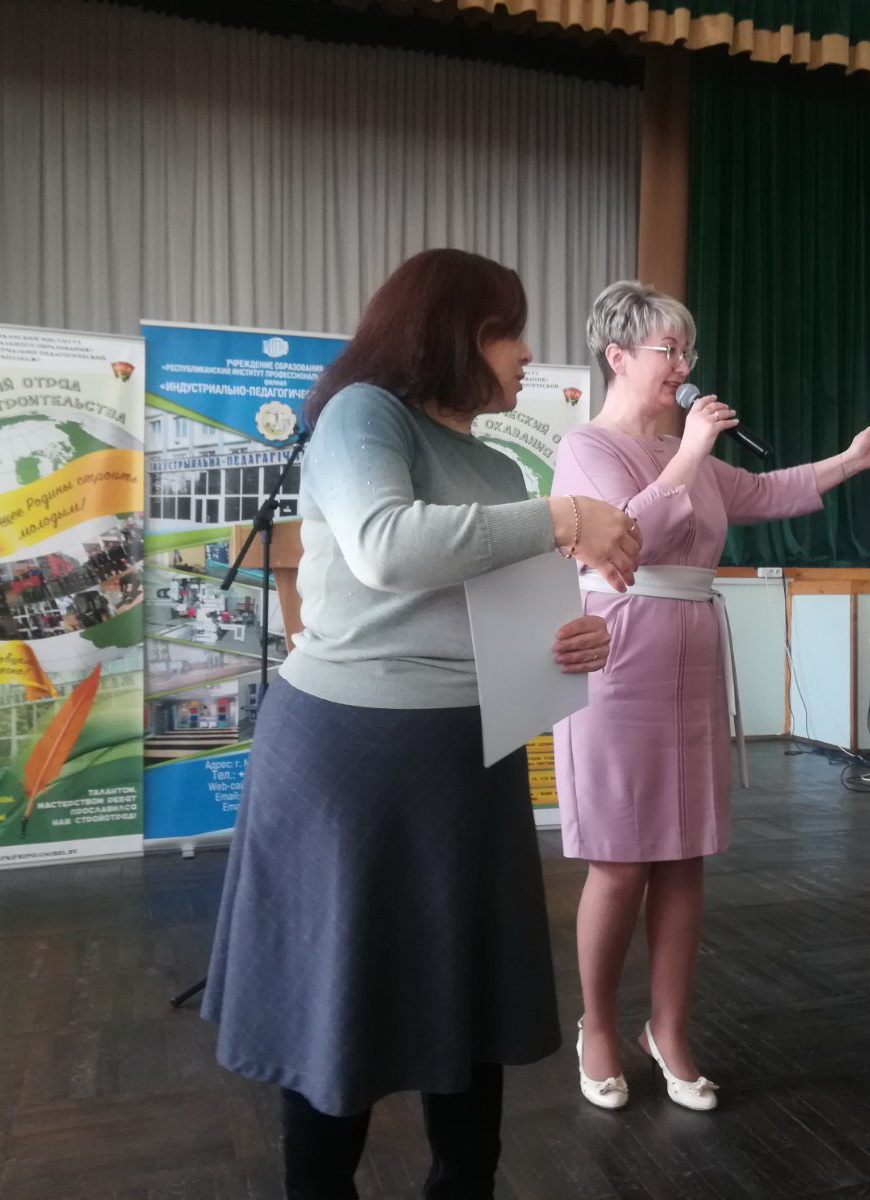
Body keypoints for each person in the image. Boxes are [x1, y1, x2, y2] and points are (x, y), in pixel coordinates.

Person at [201, 248, 643, 1200]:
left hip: (468, 756)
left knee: (467, 1006)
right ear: (452, 332)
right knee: (338, 1004)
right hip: (350, 758)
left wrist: (568, 638)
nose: (527, 353)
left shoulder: (496, 462)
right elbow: (386, 547)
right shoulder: (362, 414)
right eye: (508, 331)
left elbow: (499, 602)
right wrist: (565, 515)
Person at [553, 280, 870, 1111]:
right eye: (669, 350)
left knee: (683, 856)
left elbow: (767, 492)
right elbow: (625, 535)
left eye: (688, 350)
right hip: (618, 652)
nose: (685, 365)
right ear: (618, 355)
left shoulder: (696, 453)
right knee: (620, 858)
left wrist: (850, 460)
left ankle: (668, 1029)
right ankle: (597, 1025)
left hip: (693, 653)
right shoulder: (587, 447)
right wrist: (691, 451)